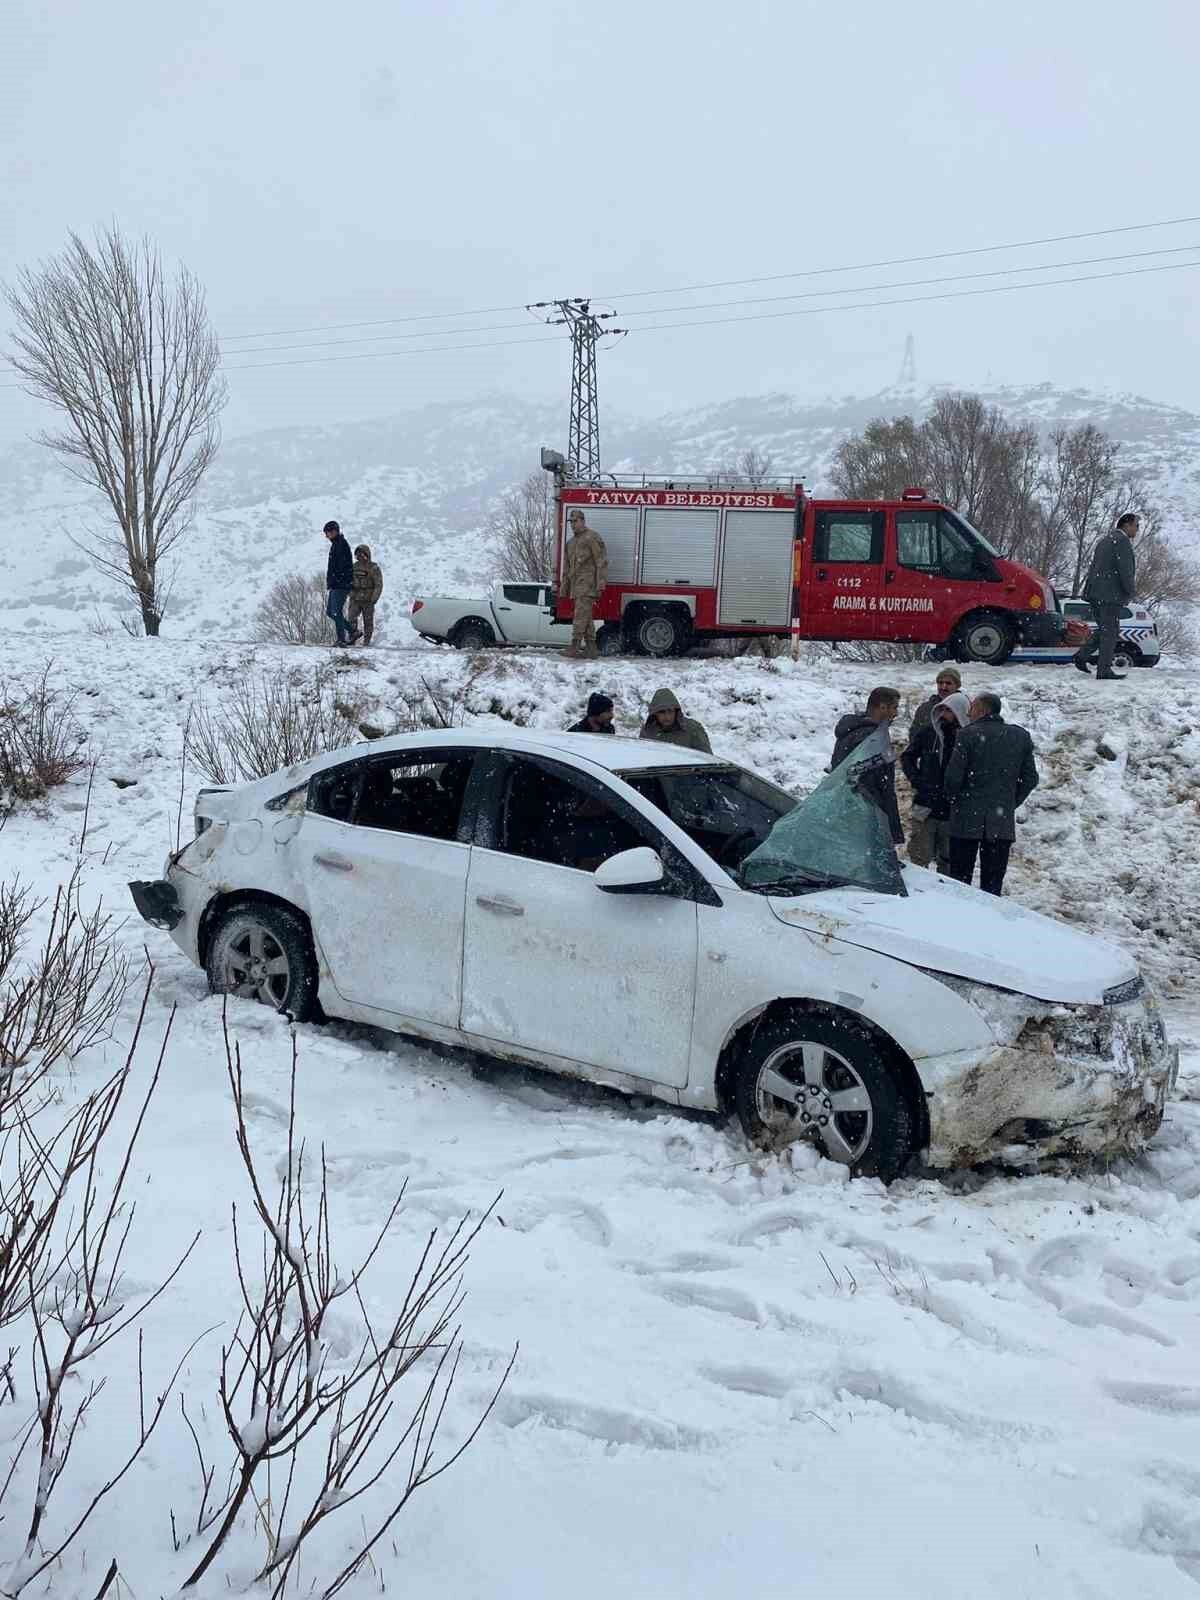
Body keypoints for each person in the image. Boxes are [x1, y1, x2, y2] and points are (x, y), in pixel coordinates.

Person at [944, 691, 1039, 896]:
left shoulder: (967, 734)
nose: (968, 714)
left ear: (981, 710)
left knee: (959, 883)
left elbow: (953, 778)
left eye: (971, 709)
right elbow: (1031, 778)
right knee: (992, 885)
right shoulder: (1020, 736)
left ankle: (957, 919)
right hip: (1000, 822)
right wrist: (1009, 803)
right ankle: (990, 922)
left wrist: (953, 799)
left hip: (966, 819)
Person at [901, 690, 972, 873]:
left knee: (949, 863)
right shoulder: (928, 733)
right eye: (942, 710)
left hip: (954, 811)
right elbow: (908, 757)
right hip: (926, 806)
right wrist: (917, 780)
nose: (944, 715)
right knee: (919, 859)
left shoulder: (970, 739)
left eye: (949, 710)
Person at [830, 687, 904, 849]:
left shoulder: (854, 730)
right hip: (863, 818)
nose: (896, 713)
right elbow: (872, 785)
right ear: (882, 707)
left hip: (846, 810)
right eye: (894, 707)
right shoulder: (871, 738)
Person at [1074, 512, 1138, 680]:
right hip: (1110, 595)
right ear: (1127, 525)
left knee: (1105, 630)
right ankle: (1104, 670)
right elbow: (1126, 570)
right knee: (1110, 632)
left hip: (1095, 593)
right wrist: (1130, 591)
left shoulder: (1105, 540)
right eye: (1136, 526)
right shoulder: (1122, 541)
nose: (1137, 530)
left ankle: (1081, 656)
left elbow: (1095, 567)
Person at [562, 509, 608, 659]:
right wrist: (564, 587)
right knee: (586, 616)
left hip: (588, 584)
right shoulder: (571, 543)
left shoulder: (591, 537)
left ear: (582, 520)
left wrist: (601, 583)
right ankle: (591, 648)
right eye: (571, 522)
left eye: (575, 521)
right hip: (576, 585)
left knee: (580, 615)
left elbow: (601, 561)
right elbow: (567, 567)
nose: (573, 525)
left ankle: (574, 647)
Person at [639, 687, 712, 752]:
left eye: (670, 711)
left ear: (676, 711)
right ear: (655, 713)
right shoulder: (647, 731)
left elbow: (708, 760)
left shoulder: (693, 729)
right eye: (662, 712)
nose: (667, 717)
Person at [909, 665, 964, 738]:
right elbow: (914, 734)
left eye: (948, 683)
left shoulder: (964, 707)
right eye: (940, 683)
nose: (943, 687)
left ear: (957, 686)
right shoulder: (925, 708)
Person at [323, 520, 354, 646]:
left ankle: (342, 638)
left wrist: (336, 580)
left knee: (336, 611)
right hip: (336, 584)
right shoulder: (336, 544)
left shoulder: (341, 544)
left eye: (327, 533)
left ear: (334, 531)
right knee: (331, 612)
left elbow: (342, 567)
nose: (326, 536)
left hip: (341, 584)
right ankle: (351, 632)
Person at [347, 544, 384, 645]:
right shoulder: (354, 567)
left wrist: (374, 598)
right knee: (351, 618)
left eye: (362, 554)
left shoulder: (374, 567)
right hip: (355, 598)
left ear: (367, 554)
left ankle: (366, 642)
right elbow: (348, 581)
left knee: (368, 622)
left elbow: (378, 584)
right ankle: (352, 638)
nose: (360, 556)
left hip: (368, 599)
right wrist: (350, 593)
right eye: (357, 554)